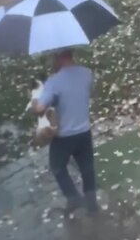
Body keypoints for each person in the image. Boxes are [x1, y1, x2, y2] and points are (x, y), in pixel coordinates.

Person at [31, 49, 99, 216]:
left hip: (64, 137)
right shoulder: (86, 73)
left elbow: (40, 110)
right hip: (84, 131)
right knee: (87, 169)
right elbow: (86, 93)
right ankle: (92, 203)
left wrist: (34, 97)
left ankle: (73, 197)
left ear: (57, 57)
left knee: (57, 167)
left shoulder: (54, 82)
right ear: (72, 54)